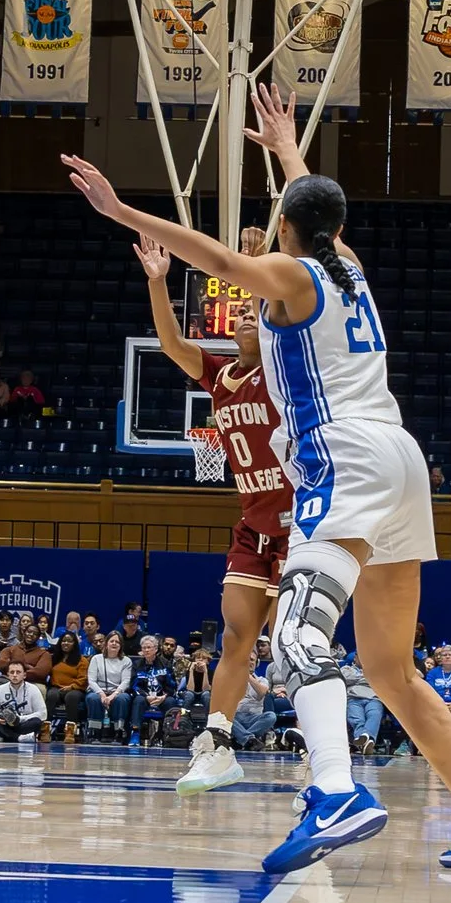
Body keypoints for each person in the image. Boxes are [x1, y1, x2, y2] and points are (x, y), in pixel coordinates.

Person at [64, 86, 451, 873]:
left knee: (296, 633)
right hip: (400, 457)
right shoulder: (348, 266)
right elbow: (319, 207)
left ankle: (338, 789)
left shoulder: (292, 271)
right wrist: (286, 151)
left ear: (285, 229)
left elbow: (214, 259)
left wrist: (123, 213)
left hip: (343, 454)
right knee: (388, 668)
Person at [131, 235, 291, 791]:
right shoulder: (221, 376)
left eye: (255, 309)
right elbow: (171, 342)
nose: (248, 315)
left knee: (294, 649)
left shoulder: (289, 366)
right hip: (253, 525)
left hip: (303, 523)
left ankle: (326, 756)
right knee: (234, 638)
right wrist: (158, 280)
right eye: (241, 312)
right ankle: (217, 744)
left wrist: (259, 256)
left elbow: (286, 301)